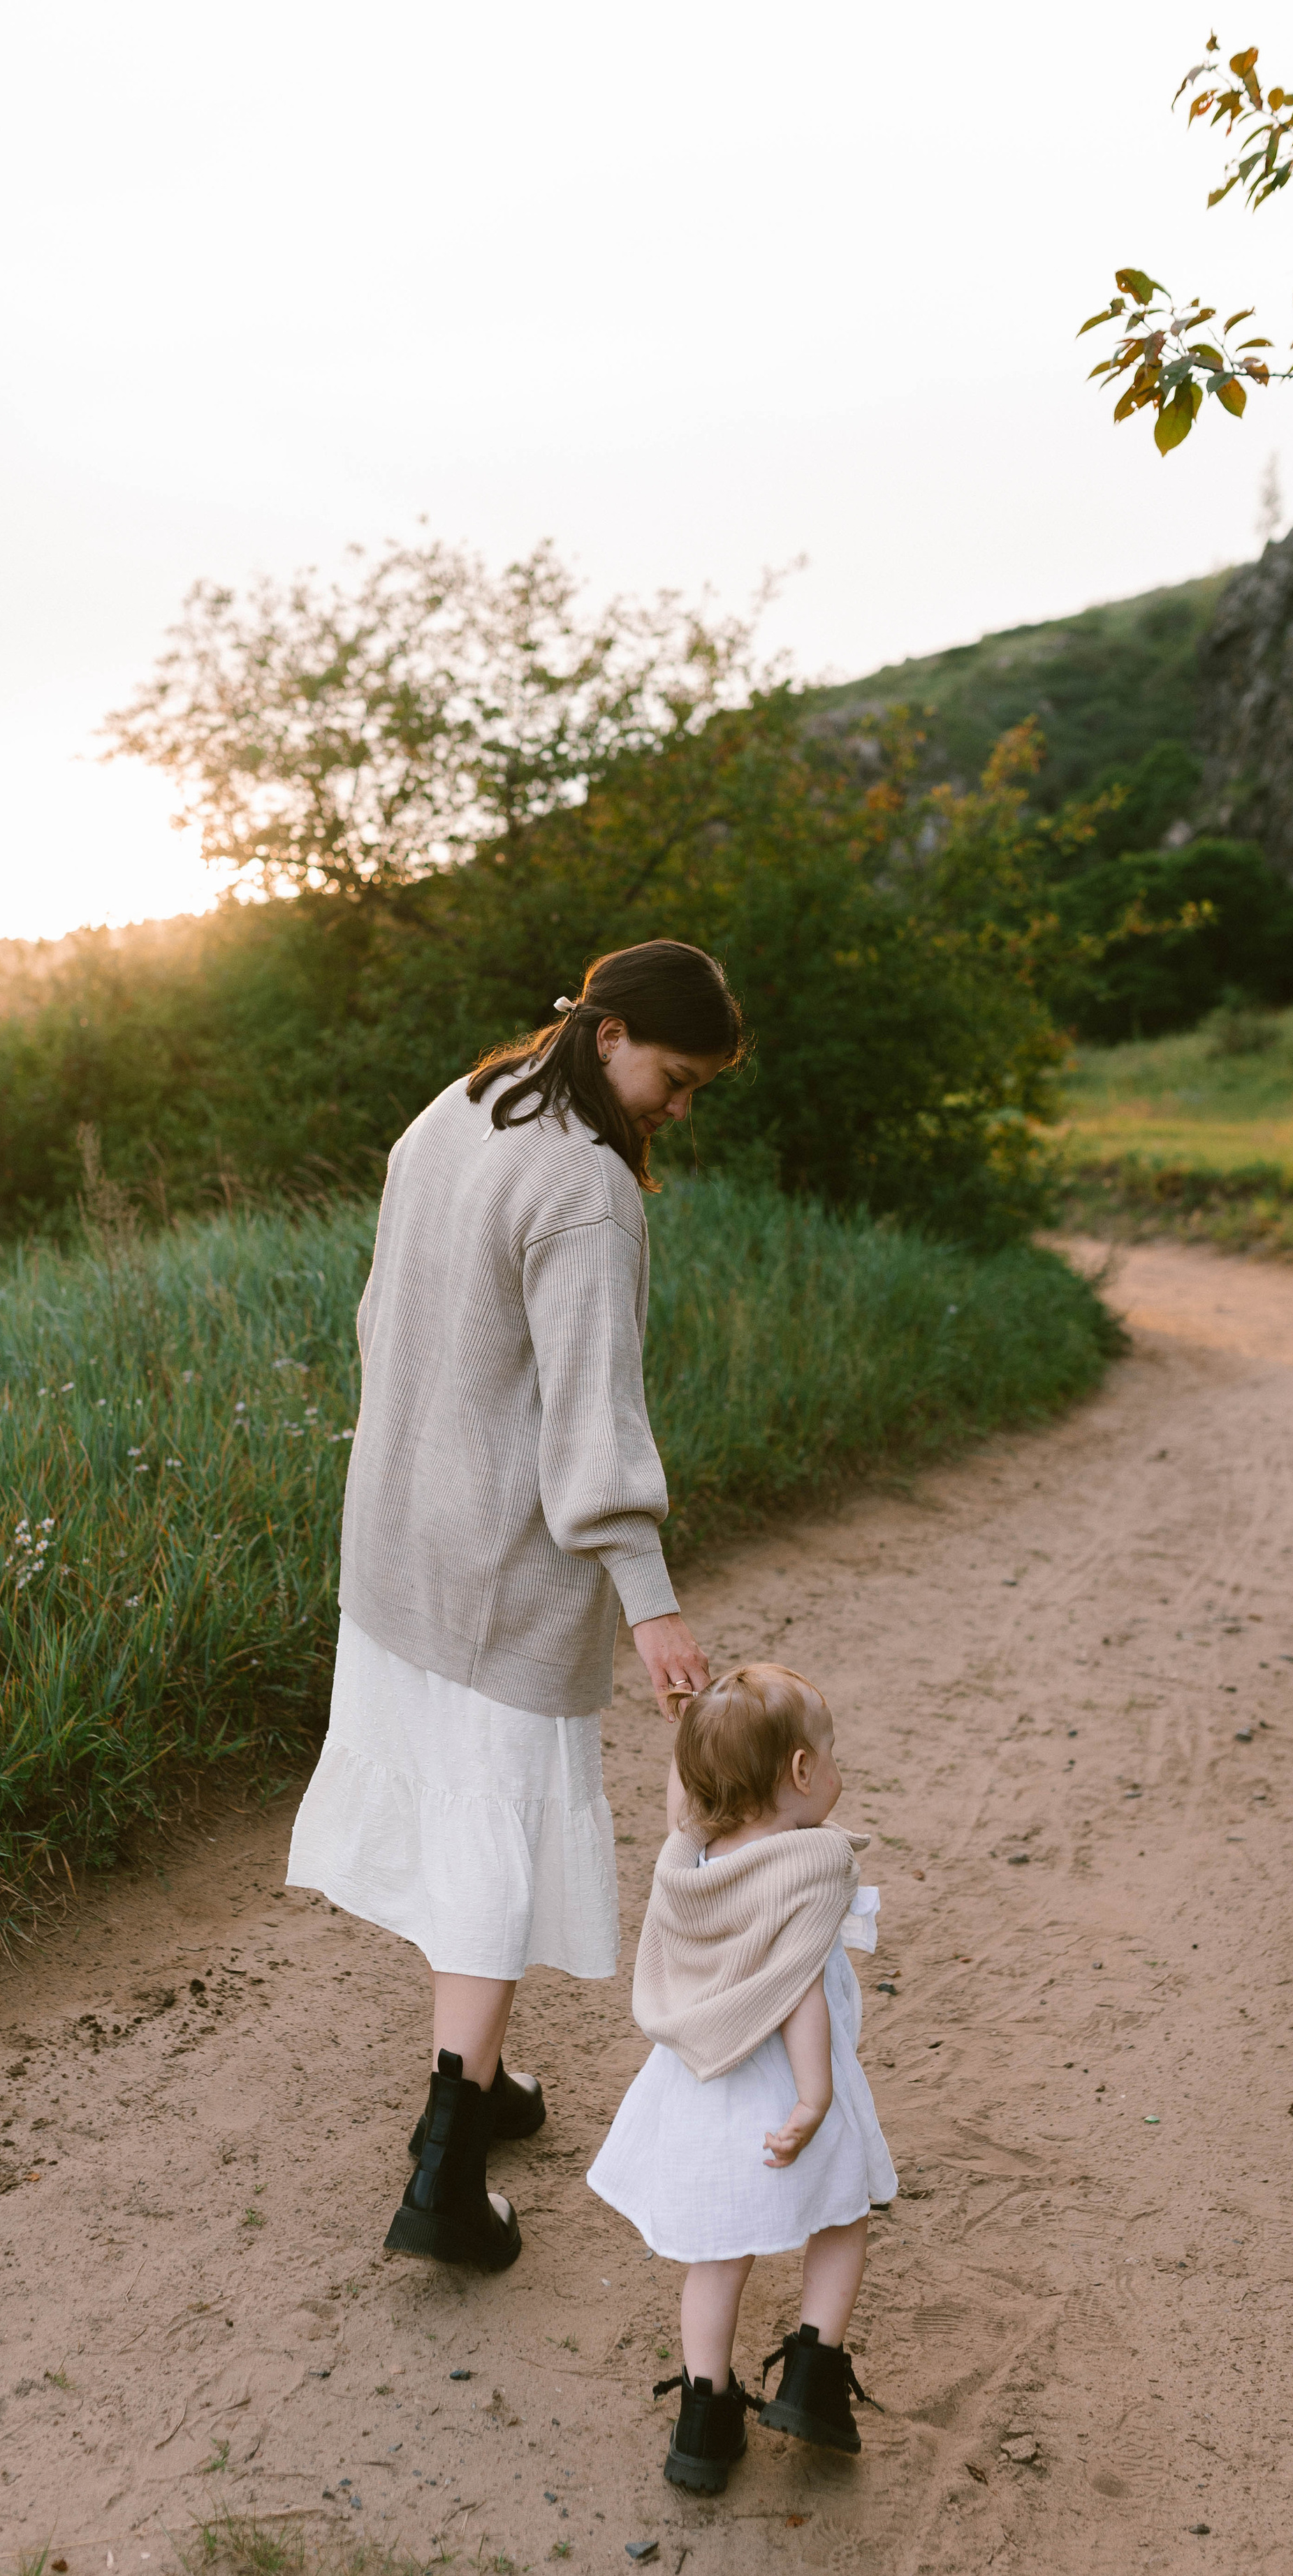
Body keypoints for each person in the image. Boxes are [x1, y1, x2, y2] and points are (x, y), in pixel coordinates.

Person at [286, 939, 744, 2271]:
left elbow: (382, 1316)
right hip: (497, 1561)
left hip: (394, 1531)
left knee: (455, 1807)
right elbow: (596, 1426)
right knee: (492, 1834)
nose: (680, 1106)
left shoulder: (464, 1105)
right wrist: (650, 1604)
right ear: (609, 1036)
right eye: (677, 1075)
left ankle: (481, 2081)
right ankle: (445, 2169)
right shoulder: (590, 1191)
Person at [587, 1663, 897, 2493]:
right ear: (800, 1772)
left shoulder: (688, 1856)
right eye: (829, 1754)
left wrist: (690, 1733)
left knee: (717, 2257)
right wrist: (814, 2094)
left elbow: (682, 1796)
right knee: (841, 2216)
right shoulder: (807, 1865)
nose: (837, 1769)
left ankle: (704, 2415)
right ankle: (810, 2373)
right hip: (778, 2085)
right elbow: (797, 1990)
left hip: (699, 2090)